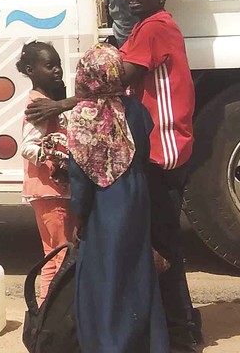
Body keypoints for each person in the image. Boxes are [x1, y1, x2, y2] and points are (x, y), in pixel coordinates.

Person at [63, 44, 168, 353]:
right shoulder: (135, 109)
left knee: (104, 273)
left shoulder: (82, 116)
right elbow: (145, 152)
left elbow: (80, 177)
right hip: (136, 196)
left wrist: (78, 217)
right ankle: (149, 342)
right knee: (137, 268)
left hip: (104, 203)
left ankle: (108, 343)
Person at [120, 0, 200, 351]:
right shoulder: (144, 27)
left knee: (163, 247)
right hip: (157, 152)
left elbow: (117, 77)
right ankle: (173, 327)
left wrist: (62, 103)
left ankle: (182, 334)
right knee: (157, 244)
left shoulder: (154, 27)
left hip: (161, 153)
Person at [18, 41, 71, 304]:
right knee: (63, 255)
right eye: (49, 66)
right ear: (30, 70)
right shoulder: (39, 105)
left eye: (58, 65)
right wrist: (57, 163)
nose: (57, 71)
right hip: (52, 191)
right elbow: (27, 146)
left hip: (45, 192)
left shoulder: (48, 101)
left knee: (52, 255)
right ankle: (58, 316)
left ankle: (44, 313)